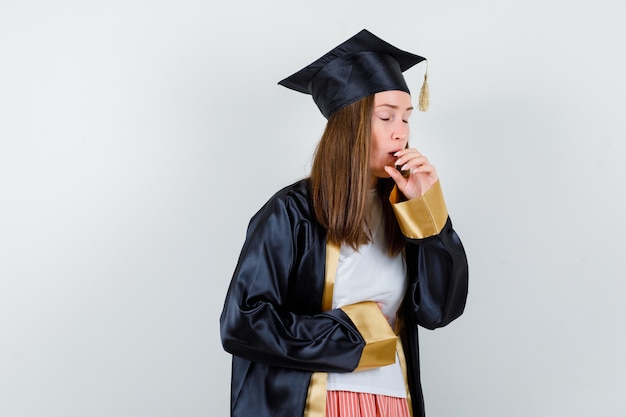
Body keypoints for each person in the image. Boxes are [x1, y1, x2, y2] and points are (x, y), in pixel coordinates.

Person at [220, 29, 468, 417]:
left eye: (405, 118)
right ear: (350, 128)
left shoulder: (403, 208)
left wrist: (427, 210)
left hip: (392, 400)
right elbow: (243, 321)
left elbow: (439, 312)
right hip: (312, 403)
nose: (400, 131)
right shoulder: (292, 212)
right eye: (385, 116)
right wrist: (354, 334)